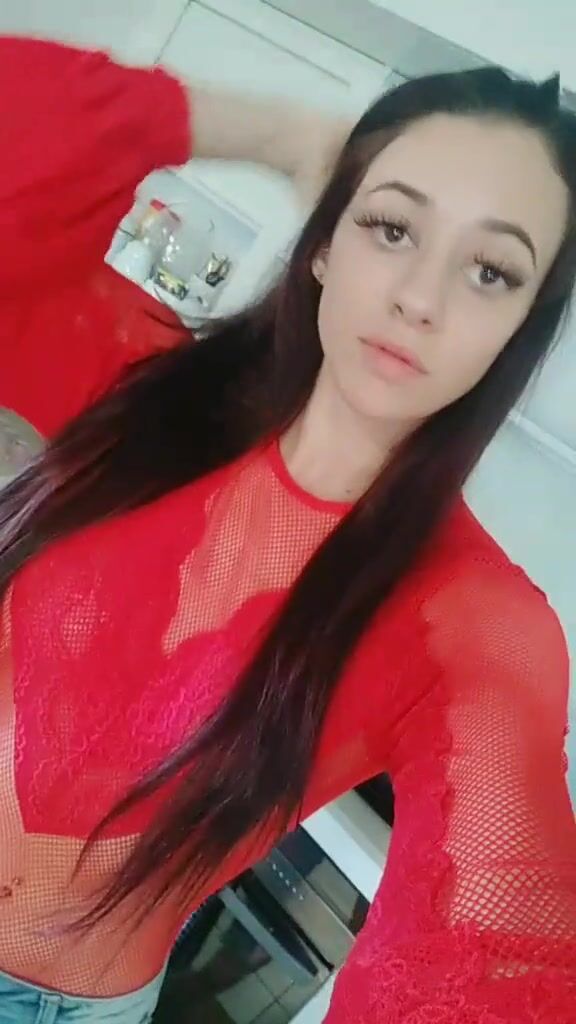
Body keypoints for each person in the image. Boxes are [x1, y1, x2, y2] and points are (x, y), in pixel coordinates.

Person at [0, 34, 575, 1024]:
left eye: (490, 271)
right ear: (324, 243)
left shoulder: (472, 623)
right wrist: (276, 134)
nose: (419, 298)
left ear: (521, 326)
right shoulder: (146, 385)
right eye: (391, 227)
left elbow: (503, 963)